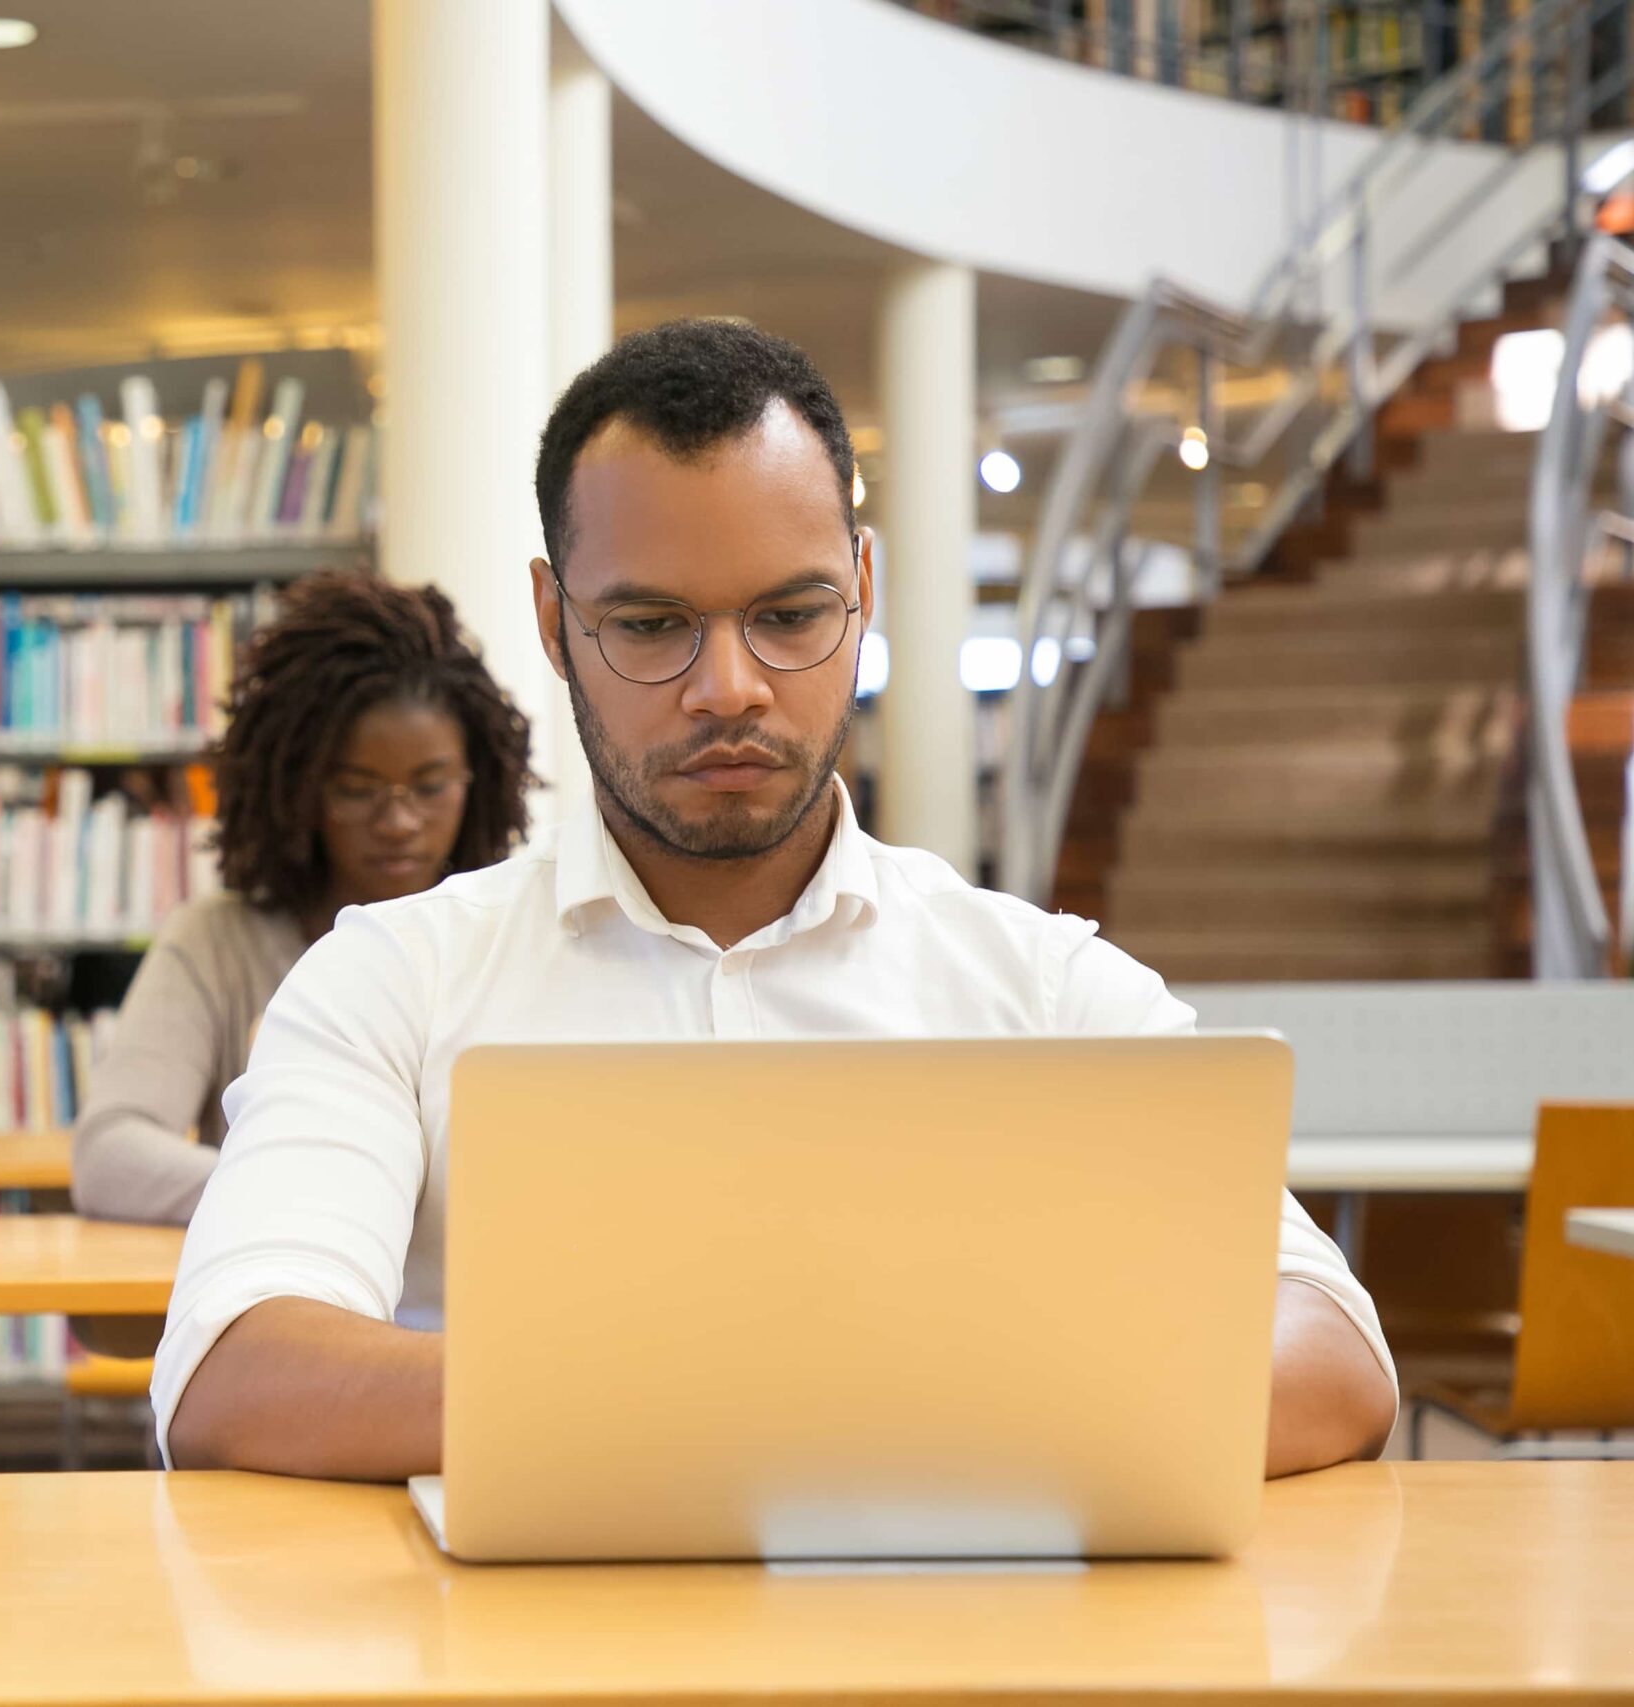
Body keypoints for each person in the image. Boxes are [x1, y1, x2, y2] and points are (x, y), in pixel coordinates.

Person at [154, 319, 1400, 1483]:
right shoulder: (395, 979)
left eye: (790, 615)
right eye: (650, 625)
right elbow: (234, 1371)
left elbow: (1331, 1354)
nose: (728, 688)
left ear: (862, 585)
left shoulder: (1039, 986)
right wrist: (778, 1411)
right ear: (552, 620)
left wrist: (830, 1419)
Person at [71, 569, 534, 1226]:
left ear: (477, 782)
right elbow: (110, 1157)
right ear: (300, 786)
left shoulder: (511, 939)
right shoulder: (218, 941)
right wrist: (325, 1198)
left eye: (430, 787)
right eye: (357, 787)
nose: (398, 820)